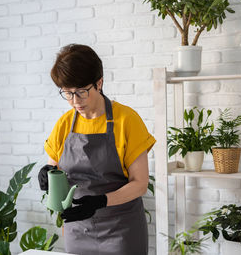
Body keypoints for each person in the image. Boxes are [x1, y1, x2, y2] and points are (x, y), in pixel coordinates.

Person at [38, 44, 156, 255]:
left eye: (81, 92)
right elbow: (53, 165)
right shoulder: (64, 124)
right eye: (67, 93)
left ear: (99, 83)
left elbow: (140, 184)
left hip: (121, 230)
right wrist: (46, 172)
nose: (75, 101)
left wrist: (102, 201)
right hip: (77, 229)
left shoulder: (127, 120)